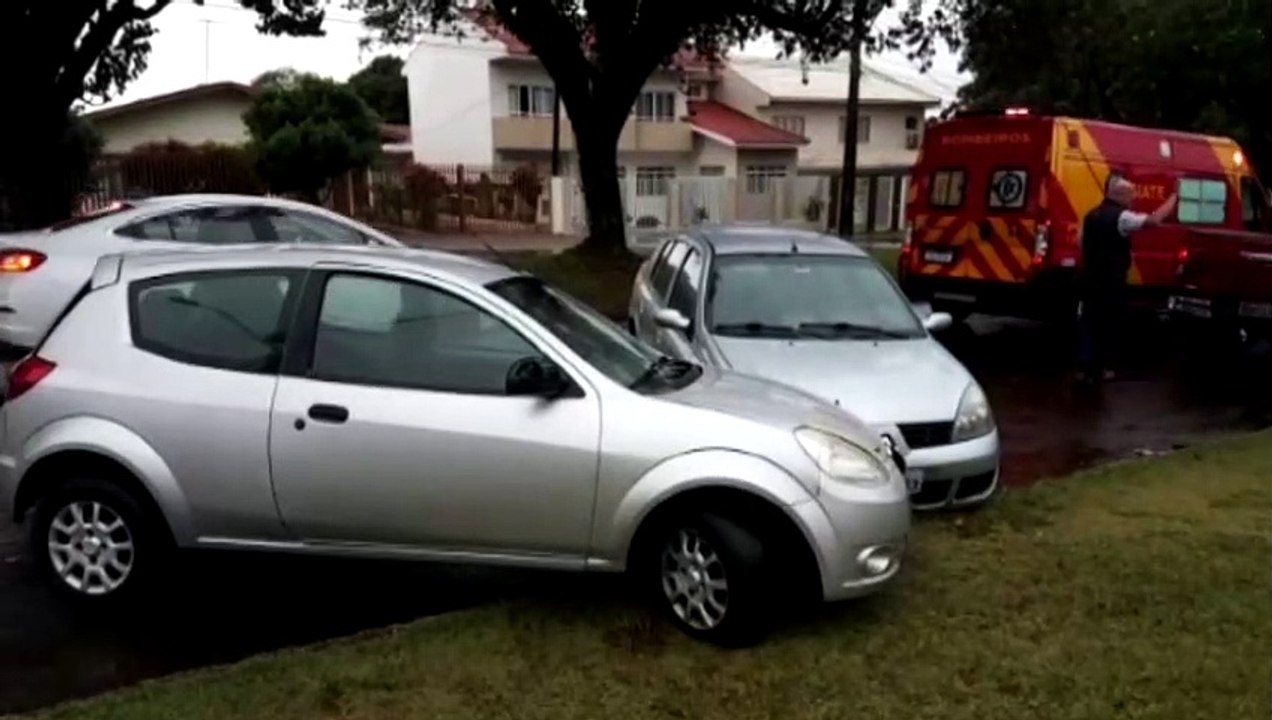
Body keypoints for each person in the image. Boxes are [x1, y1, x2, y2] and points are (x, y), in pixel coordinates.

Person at [1076, 176, 1177, 383]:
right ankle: (1102, 369)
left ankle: (1084, 368)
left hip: (1090, 278)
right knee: (1109, 323)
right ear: (1119, 195)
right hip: (1111, 281)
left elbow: (1081, 243)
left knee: (1089, 322)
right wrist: (1174, 197)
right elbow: (1154, 220)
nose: (1133, 200)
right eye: (1131, 196)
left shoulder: (1090, 216)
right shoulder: (1122, 217)